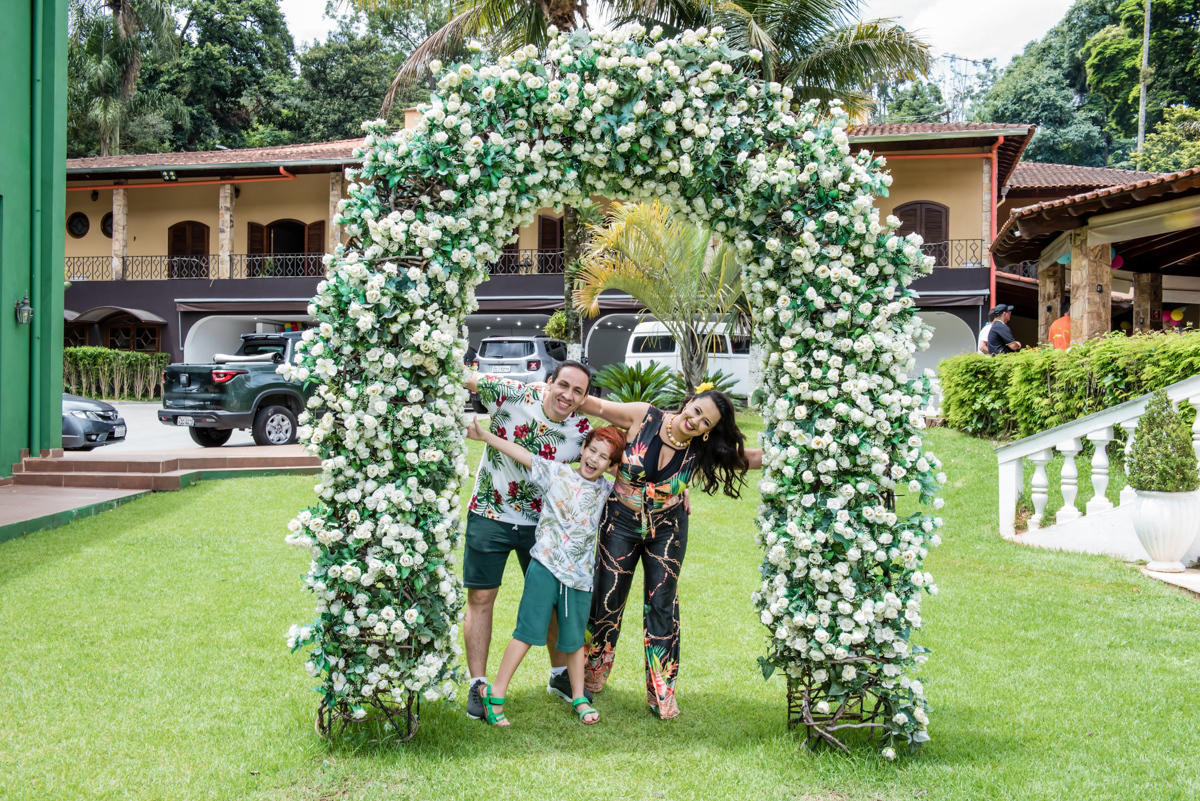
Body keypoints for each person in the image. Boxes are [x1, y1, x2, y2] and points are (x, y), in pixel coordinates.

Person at [572, 387, 763, 720]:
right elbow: (600, 406)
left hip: (668, 531)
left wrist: (795, 450)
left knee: (661, 605)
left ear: (709, 431)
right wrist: (562, 390)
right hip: (620, 524)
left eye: (706, 422)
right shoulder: (644, 416)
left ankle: (662, 692)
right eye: (696, 411)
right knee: (606, 598)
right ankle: (590, 677)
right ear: (688, 402)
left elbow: (746, 459)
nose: (696, 421)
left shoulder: (702, 450)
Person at [465, 419, 627, 726]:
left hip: (579, 578)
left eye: (603, 457)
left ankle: (578, 696)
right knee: (526, 633)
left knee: (575, 640)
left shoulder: (608, 489)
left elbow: (637, 478)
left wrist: (679, 493)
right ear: (582, 448)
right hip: (545, 568)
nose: (593, 459)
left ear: (611, 464)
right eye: (591, 450)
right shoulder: (557, 472)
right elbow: (521, 454)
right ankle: (495, 694)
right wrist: (485, 435)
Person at [462, 361, 596, 720]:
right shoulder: (511, 393)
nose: (567, 395)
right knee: (481, 597)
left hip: (543, 525)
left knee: (552, 601)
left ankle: (558, 675)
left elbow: (615, 460)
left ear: (584, 398)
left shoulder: (583, 429)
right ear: (548, 382)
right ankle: (478, 683)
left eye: (577, 391)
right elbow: (461, 375)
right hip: (490, 511)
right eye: (563, 385)